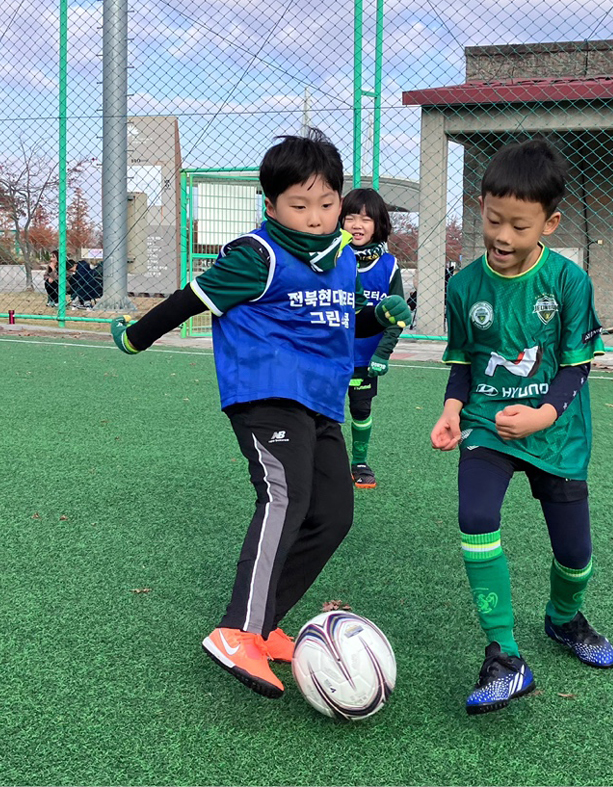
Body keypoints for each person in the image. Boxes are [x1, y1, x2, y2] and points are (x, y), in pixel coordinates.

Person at [107, 129, 411, 699]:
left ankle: (265, 623)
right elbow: (190, 299)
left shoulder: (342, 260)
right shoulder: (256, 256)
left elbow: (347, 322)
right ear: (271, 206)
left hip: (319, 401)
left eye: (327, 205)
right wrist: (135, 338)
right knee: (285, 496)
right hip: (265, 391)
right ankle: (237, 631)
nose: (316, 217)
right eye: (299, 206)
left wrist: (382, 316)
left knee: (334, 514)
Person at [429, 139, 613, 715]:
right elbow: (463, 362)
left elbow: (578, 365)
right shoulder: (463, 287)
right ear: (479, 205)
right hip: (487, 423)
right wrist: (452, 408)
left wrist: (543, 414)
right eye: (492, 220)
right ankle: (504, 655)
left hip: (556, 433)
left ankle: (563, 620)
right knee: (476, 516)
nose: (502, 236)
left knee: (576, 555)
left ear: (550, 223)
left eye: (519, 225)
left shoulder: (567, 283)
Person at [340, 188, 404, 489]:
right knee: (320, 409)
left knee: (361, 410)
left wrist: (382, 354)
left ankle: (359, 461)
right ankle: (319, 460)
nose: (357, 224)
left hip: (365, 358)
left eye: (366, 218)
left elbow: (398, 314)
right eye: (350, 217)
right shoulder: (333, 260)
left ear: (378, 224)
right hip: (328, 354)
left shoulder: (389, 266)